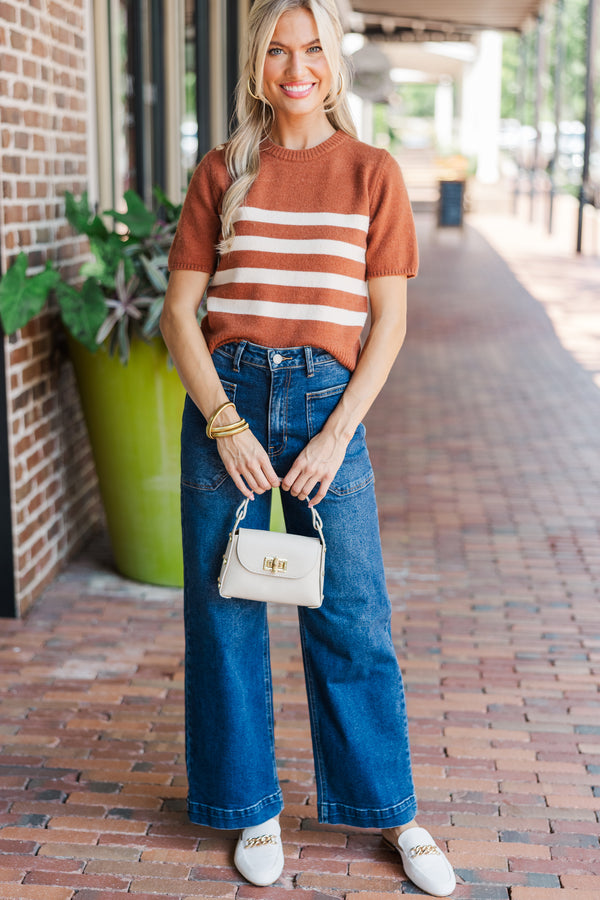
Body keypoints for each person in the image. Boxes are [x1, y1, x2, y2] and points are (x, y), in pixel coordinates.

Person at [160, 0, 456, 895]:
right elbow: (181, 313)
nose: (298, 68)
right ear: (258, 65)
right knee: (225, 617)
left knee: (354, 615)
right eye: (280, 51)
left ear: (335, 60)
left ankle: (390, 811)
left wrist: (336, 434)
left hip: (330, 405)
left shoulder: (373, 172)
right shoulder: (223, 171)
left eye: (314, 50)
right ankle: (248, 805)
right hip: (230, 401)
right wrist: (224, 423)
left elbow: (389, 325)